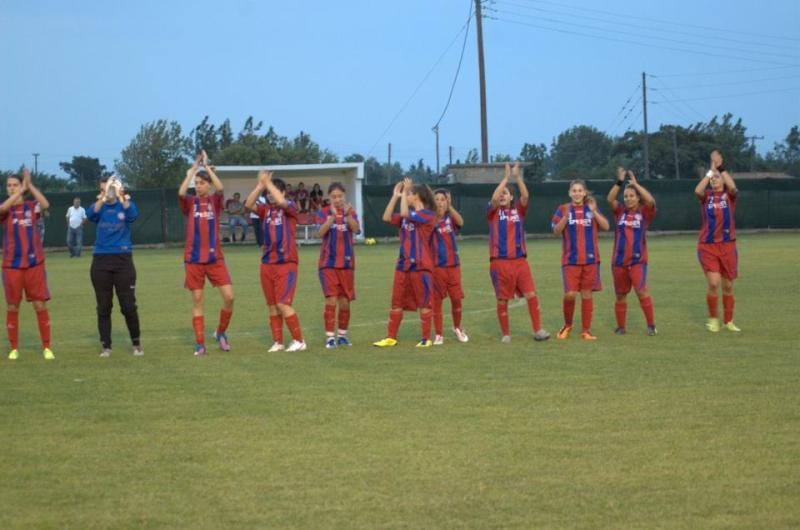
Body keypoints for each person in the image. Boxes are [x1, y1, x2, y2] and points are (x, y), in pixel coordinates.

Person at [179, 151, 235, 356]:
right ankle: (200, 344)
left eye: (202, 183)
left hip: (214, 259)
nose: (198, 186)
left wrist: (208, 168)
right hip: (193, 259)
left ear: (208, 185)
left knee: (229, 297)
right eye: (196, 183)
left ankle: (220, 333)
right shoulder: (190, 202)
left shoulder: (214, 201)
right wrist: (194, 169)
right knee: (198, 300)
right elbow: (181, 192)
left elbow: (220, 188)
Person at [487, 163, 550, 343]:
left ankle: (538, 330)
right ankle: (506, 334)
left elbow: (526, 196)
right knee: (502, 299)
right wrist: (505, 178)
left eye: (505, 193)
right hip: (500, 262)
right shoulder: (493, 212)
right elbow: (494, 198)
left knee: (531, 294)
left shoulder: (518, 211)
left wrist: (517, 177)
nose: (502, 195)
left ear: (511, 197)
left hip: (520, 261)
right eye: (500, 193)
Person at [245, 170, 306, 352]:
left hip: (286, 263)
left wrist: (269, 183)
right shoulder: (265, 210)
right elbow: (248, 204)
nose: (270, 195)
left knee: (283, 304)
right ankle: (278, 342)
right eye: (268, 193)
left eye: (274, 192)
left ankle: (299, 340)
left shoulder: (290, 208)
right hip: (267, 264)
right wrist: (260, 186)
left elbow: (281, 201)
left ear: (283, 192)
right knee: (272, 306)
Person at [373, 178, 437, 348]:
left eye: (408, 194)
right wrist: (395, 196)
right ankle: (390, 338)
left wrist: (405, 190)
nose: (406, 197)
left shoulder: (427, 215)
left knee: (424, 303)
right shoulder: (407, 217)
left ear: (416, 196)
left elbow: (404, 214)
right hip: (403, 265)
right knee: (396, 302)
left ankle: (426, 339)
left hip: (421, 266)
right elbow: (386, 217)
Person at [0, 168, 54, 360]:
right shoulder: (6, 209)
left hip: (34, 264)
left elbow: (45, 204)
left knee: (39, 305)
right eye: (9, 185)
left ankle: (46, 347)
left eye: (15, 185)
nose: (12, 188)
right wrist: (20, 191)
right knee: (13, 306)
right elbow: (2, 209)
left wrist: (29, 186)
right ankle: (14, 348)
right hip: (11, 266)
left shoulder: (32, 207)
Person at [87, 174, 143, 357]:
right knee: (103, 306)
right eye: (103, 189)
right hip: (101, 260)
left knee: (128, 306)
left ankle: (136, 343)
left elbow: (133, 215)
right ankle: (106, 346)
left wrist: (121, 194)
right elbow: (90, 214)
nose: (106, 192)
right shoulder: (99, 206)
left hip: (123, 260)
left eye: (109, 188)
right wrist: (103, 197)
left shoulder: (124, 204)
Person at [552, 179, 610, 340]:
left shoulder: (591, 208)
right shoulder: (562, 209)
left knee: (586, 294)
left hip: (591, 260)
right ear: (569, 193)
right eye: (574, 191)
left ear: (584, 193)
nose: (577, 193)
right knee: (570, 294)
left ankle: (586, 330)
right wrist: (565, 217)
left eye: (580, 190)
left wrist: (594, 211)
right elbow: (556, 231)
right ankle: (567, 325)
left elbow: (606, 226)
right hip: (570, 260)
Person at [606, 167, 657, 336]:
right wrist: (619, 182)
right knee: (620, 295)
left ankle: (651, 325)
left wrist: (636, 184)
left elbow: (651, 201)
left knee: (641, 291)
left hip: (637, 261)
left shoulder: (644, 212)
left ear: (638, 197)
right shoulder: (620, 211)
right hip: (619, 262)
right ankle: (621, 327)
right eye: (626, 196)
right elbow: (610, 199)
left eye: (632, 196)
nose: (628, 199)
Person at [695, 149, 741, 332]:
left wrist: (720, 168)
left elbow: (733, 187)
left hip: (728, 246)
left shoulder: (729, 196)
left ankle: (728, 321)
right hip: (708, 246)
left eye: (717, 178)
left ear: (723, 179)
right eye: (712, 178)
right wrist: (711, 171)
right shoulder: (706, 196)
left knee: (728, 286)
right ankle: (713, 319)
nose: (714, 180)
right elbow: (697, 190)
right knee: (714, 283)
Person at [316, 182, 360, 348]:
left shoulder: (350, 212)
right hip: (328, 263)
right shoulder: (323, 212)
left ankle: (342, 335)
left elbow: (356, 229)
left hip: (347, 264)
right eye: (334, 196)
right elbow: (320, 232)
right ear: (329, 198)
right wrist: (332, 218)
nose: (337, 199)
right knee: (331, 299)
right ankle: (330, 338)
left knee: (344, 302)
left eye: (340, 196)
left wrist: (347, 216)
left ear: (344, 196)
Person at [431, 188, 468, 345]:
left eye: (443, 199)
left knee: (456, 299)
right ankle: (439, 334)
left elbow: (461, 222)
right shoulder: (429, 220)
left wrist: (450, 207)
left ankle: (457, 327)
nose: (440, 202)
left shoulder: (450, 218)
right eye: (437, 199)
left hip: (453, 266)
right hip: (437, 267)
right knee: (436, 301)